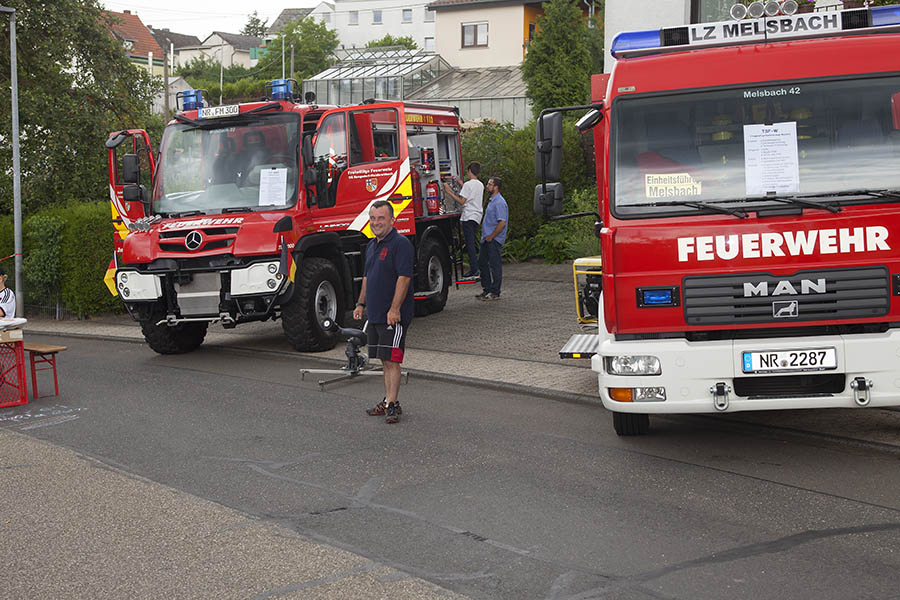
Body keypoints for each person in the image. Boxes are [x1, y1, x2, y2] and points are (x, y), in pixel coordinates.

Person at [353, 200, 414, 424]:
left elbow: (404, 277)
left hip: (393, 315)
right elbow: (368, 277)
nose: (376, 222)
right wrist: (360, 304)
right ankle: (388, 400)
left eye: (381, 218)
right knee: (384, 360)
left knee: (392, 359)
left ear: (392, 220)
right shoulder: (372, 245)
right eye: (373, 218)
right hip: (376, 314)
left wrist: (395, 308)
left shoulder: (400, 243)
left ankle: (393, 404)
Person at [443, 161, 484, 278]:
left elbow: (462, 201)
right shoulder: (480, 184)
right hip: (477, 217)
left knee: (470, 245)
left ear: (469, 171)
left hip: (468, 216)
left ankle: (474, 270)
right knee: (472, 243)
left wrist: (449, 192)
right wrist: (461, 183)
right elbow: (470, 192)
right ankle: (476, 267)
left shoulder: (468, 185)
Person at [476, 176, 508, 301]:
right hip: (486, 239)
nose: (487, 186)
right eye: (488, 184)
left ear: (496, 187)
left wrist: (492, 236)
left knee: (495, 265)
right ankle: (487, 289)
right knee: (482, 263)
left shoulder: (500, 202)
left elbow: (502, 222)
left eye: (490, 184)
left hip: (493, 240)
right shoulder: (492, 201)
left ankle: (495, 291)